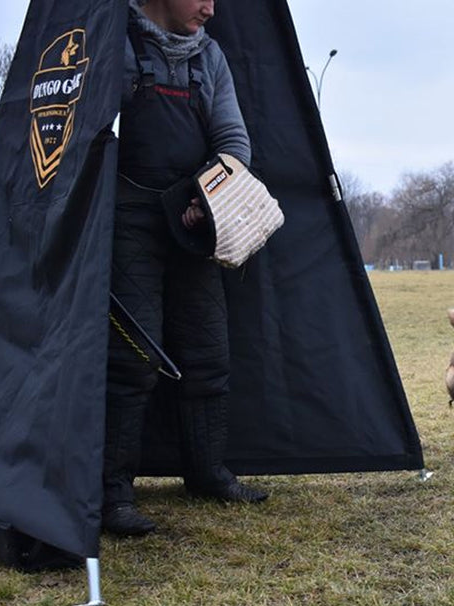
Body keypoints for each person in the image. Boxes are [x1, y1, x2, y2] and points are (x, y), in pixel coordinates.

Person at [102, 0, 268, 537]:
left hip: (195, 221)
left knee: (208, 354)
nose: (211, 8)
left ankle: (206, 474)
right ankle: (112, 495)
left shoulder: (210, 57)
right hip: (126, 222)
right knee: (131, 359)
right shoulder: (115, 43)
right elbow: (89, 131)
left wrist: (207, 190)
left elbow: (234, 142)